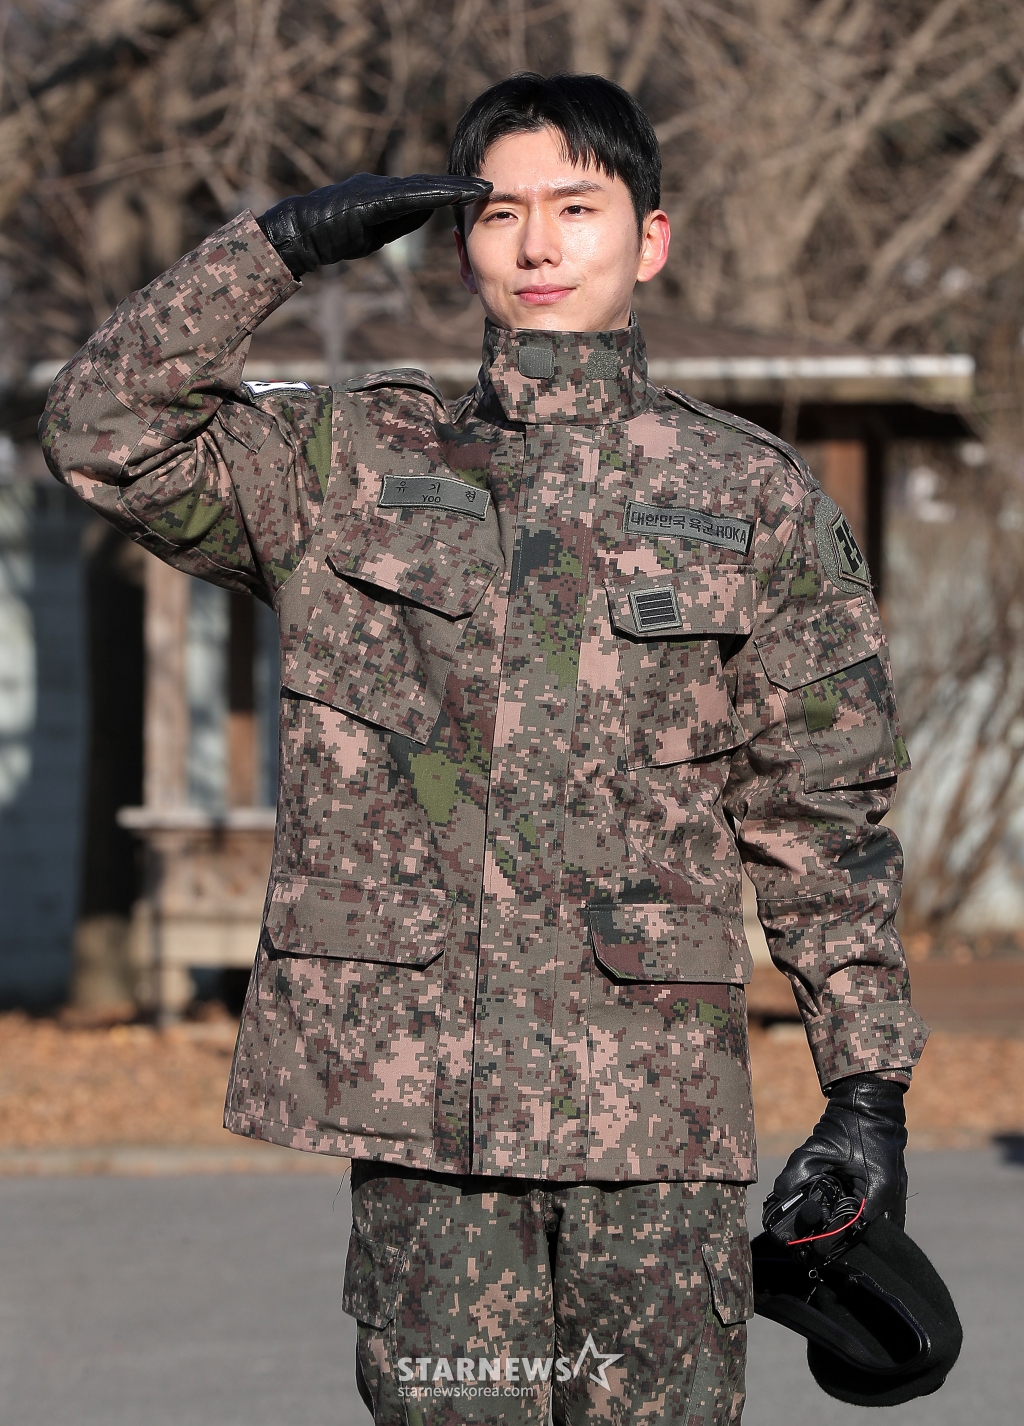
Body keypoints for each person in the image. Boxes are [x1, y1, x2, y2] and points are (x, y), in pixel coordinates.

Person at [41, 71, 927, 1426]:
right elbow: (102, 434)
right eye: (500, 212)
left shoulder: (751, 497)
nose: (538, 243)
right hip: (427, 1132)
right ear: (460, 247)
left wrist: (866, 1090)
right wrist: (274, 248)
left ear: (650, 239)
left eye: (577, 206)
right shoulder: (348, 462)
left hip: (654, 1132)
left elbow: (825, 816)